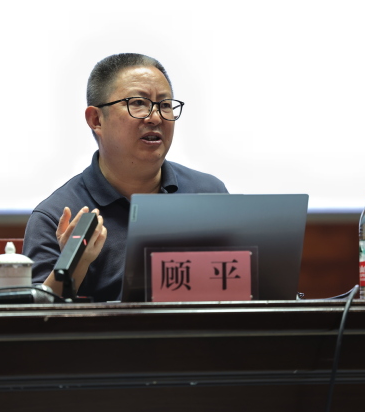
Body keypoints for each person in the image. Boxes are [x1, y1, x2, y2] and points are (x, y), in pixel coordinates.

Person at [22, 53, 228, 302]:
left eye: (165, 105)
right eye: (138, 103)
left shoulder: (208, 194)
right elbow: (36, 319)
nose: (156, 117)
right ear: (96, 120)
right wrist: (74, 264)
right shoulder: (57, 216)